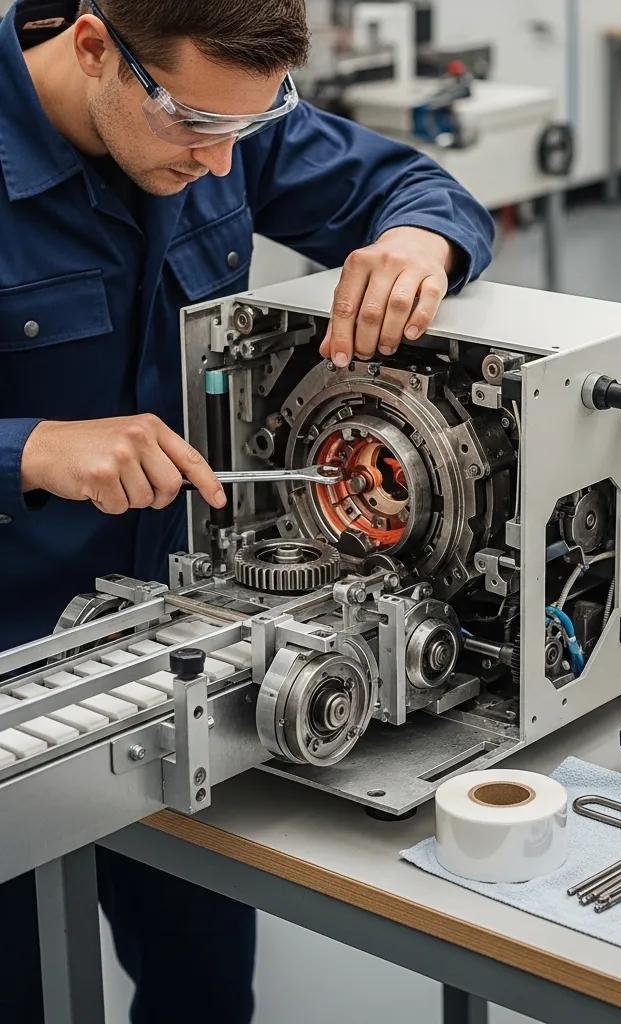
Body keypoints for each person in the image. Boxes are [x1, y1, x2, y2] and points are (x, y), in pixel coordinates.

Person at [0, 1, 494, 1020]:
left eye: (252, 127)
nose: (226, 164)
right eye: (197, 127)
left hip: (190, 652)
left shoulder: (217, 107)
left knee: (205, 988)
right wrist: (32, 448)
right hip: (18, 681)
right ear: (93, 47)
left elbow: (416, 188)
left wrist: (418, 241)